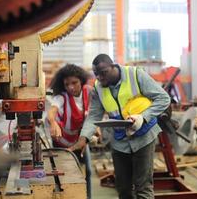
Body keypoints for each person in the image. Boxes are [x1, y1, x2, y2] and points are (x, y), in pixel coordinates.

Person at [69, 54, 171, 199]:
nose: (100, 78)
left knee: (143, 187)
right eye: (96, 74)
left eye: (103, 73)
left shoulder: (135, 75)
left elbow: (163, 98)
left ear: (113, 67)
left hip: (144, 137)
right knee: (123, 189)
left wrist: (143, 117)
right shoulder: (98, 87)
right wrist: (83, 139)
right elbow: (94, 115)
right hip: (119, 141)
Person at [47, 63, 92, 199]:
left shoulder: (89, 92)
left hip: (79, 141)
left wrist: (90, 135)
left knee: (87, 172)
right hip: (61, 142)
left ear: (82, 81)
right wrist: (53, 122)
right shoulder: (62, 97)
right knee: (64, 175)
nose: (71, 87)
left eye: (74, 82)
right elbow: (51, 112)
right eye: (67, 84)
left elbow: (94, 113)